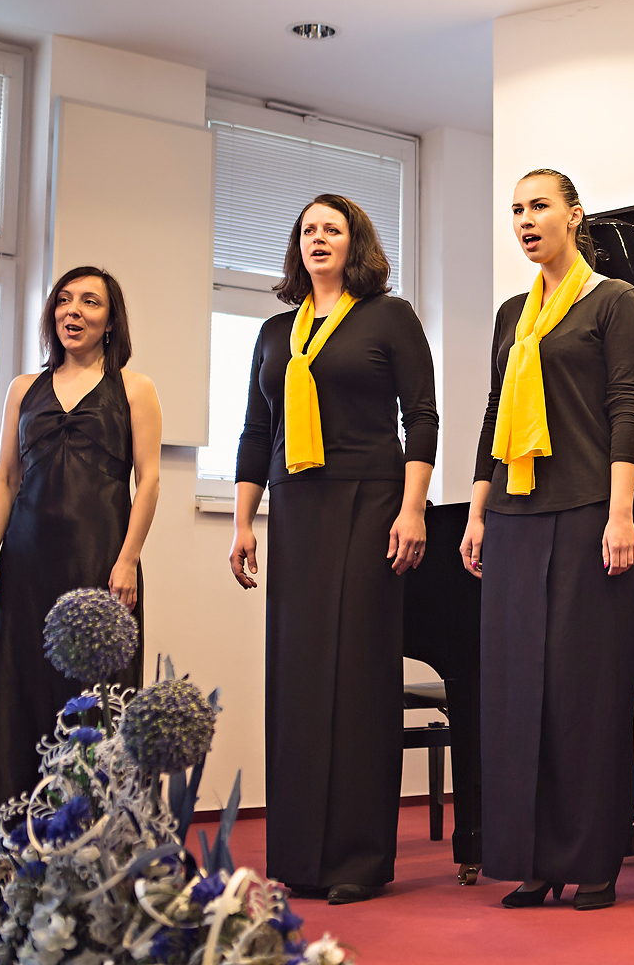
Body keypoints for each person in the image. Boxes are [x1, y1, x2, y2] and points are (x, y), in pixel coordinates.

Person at [230, 194, 437, 906]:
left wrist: (413, 509)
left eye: (333, 229)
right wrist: (243, 522)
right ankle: (298, 857)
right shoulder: (274, 332)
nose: (318, 238)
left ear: (356, 243)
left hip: (370, 503)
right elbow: (256, 431)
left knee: (357, 679)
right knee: (298, 679)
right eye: (308, 230)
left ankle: (357, 859)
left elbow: (421, 416)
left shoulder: (389, 317)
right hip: (294, 508)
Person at [460, 168, 634, 911]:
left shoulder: (614, 299)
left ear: (574, 216)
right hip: (513, 516)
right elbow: (492, 413)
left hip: (586, 512)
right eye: (516, 210)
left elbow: (626, 407)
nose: (525, 220)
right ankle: (533, 860)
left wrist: (621, 512)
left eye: (539, 206)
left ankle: (593, 861)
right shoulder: (514, 313)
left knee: (583, 691)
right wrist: (477, 512)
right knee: (516, 692)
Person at [0, 267, 162, 844]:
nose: (74, 311)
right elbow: (5, 477)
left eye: (90, 302)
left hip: (100, 563)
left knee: (94, 703)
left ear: (110, 320)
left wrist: (128, 559)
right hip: (25, 564)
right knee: (16, 696)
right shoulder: (23, 388)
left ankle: (95, 842)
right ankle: (7, 842)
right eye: (65, 301)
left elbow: (149, 480)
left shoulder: (135, 388)